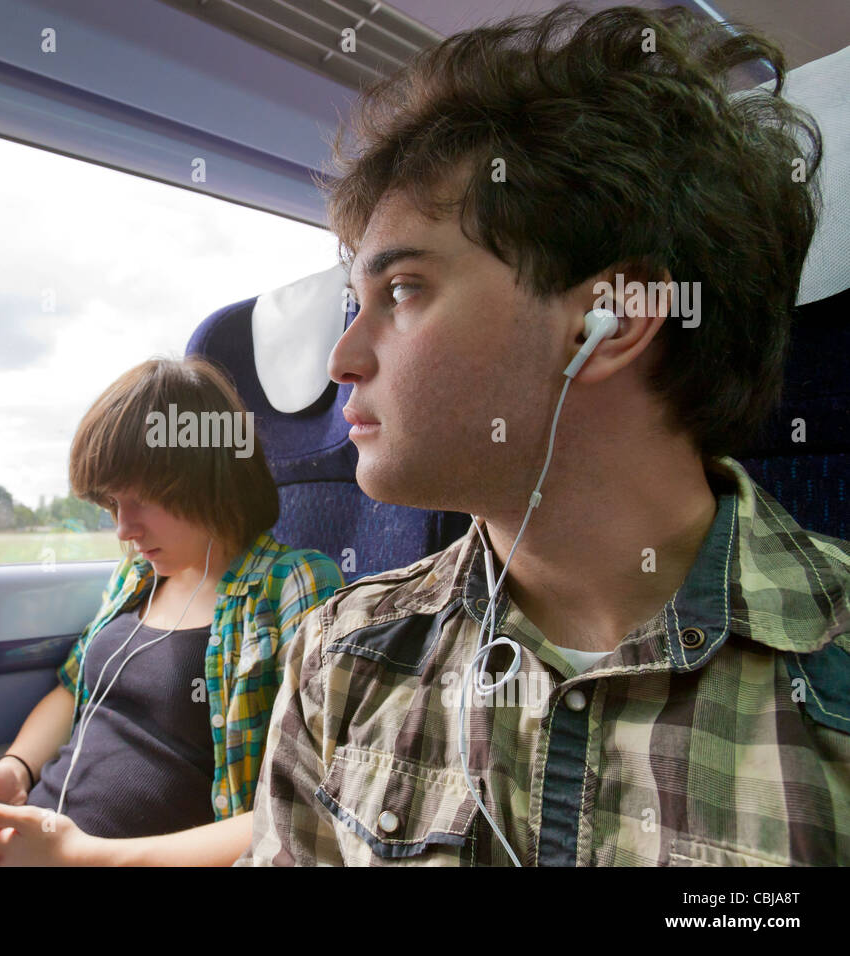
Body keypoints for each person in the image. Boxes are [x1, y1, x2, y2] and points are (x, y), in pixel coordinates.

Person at [238, 4, 850, 866]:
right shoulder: (340, 661)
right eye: (355, 304)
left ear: (609, 316)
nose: (343, 359)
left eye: (403, 290)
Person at [0, 356, 342, 866]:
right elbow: (72, 691)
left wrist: (78, 858)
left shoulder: (289, 584)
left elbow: (306, 803)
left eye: (142, 500)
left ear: (208, 476)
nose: (123, 530)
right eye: (112, 505)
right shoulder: (135, 579)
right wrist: (16, 770)